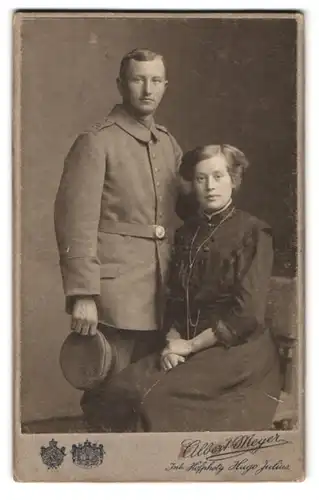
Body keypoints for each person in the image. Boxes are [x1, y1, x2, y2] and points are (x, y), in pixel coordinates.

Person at [83, 144, 282, 432]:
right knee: (114, 390)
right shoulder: (186, 233)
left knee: (153, 401)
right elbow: (176, 299)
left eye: (218, 176)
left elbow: (247, 316)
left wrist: (189, 346)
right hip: (184, 344)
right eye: (201, 179)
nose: (210, 186)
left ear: (233, 180)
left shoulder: (254, 232)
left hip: (237, 354)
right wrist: (172, 344)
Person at [54, 49, 184, 388]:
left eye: (156, 80)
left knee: (149, 394)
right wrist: (83, 293)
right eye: (138, 79)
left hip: (162, 288)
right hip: (115, 294)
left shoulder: (168, 145)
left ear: (165, 85)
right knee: (111, 388)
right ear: (121, 84)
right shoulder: (97, 141)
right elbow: (74, 222)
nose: (147, 89)